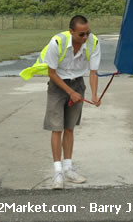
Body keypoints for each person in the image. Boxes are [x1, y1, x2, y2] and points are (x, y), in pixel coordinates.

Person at [40, 15, 101, 189]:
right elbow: (51, 73)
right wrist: (70, 92)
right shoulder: (57, 43)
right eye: (81, 34)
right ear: (71, 31)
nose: (85, 37)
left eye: (87, 33)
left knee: (69, 128)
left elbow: (93, 72)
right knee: (56, 128)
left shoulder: (93, 43)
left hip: (77, 84)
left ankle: (68, 168)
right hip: (58, 85)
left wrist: (95, 95)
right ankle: (57, 172)